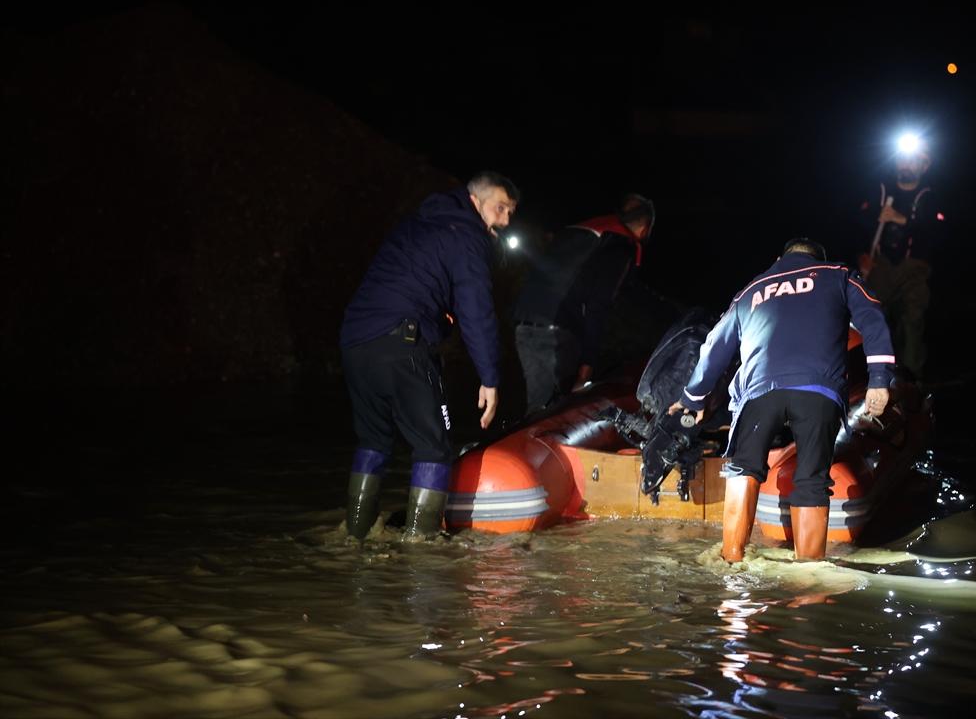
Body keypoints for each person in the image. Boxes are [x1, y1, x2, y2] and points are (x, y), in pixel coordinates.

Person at [668, 238, 895, 563]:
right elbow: (873, 321)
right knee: (812, 479)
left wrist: (691, 398)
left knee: (743, 469)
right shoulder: (838, 274)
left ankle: (731, 559)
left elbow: (714, 347)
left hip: (759, 394)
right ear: (820, 258)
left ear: (779, 259)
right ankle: (808, 571)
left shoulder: (749, 291)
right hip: (819, 392)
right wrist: (880, 380)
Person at [339, 172, 519, 540]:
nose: (504, 220)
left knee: (373, 441)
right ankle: (423, 549)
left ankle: (354, 535)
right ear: (476, 201)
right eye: (500, 209)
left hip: (355, 340)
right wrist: (489, 378)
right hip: (402, 342)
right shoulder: (467, 236)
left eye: (511, 213)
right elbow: (476, 311)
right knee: (434, 449)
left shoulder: (421, 222)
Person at [511, 193, 655, 414]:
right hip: (557, 335)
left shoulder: (584, 231)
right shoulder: (620, 244)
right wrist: (586, 368)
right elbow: (598, 306)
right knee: (553, 414)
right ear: (644, 228)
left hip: (525, 323)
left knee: (539, 408)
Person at [855, 145, 944, 381]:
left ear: (924, 166)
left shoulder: (929, 195)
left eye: (914, 161)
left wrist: (900, 218)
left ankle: (913, 384)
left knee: (912, 321)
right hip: (881, 264)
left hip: (914, 267)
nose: (906, 165)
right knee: (872, 317)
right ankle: (871, 378)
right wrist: (863, 255)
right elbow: (860, 222)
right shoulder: (881, 191)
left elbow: (934, 227)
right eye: (903, 159)